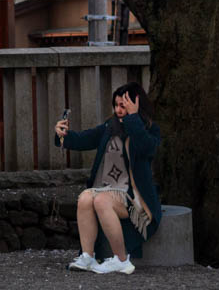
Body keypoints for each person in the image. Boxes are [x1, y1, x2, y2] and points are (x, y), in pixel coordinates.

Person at [54, 82, 162, 275]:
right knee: (86, 197)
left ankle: (121, 260)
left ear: (136, 105)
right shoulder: (108, 127)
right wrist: (62, 135)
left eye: (124, 105)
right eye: (116, 105)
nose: (119, 110)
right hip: (107, 190)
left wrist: (134, 118)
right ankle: (88, 257)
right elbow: (82, 139)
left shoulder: (148, 130)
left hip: (135, 200)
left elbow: (147, 149)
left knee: (101, 200)